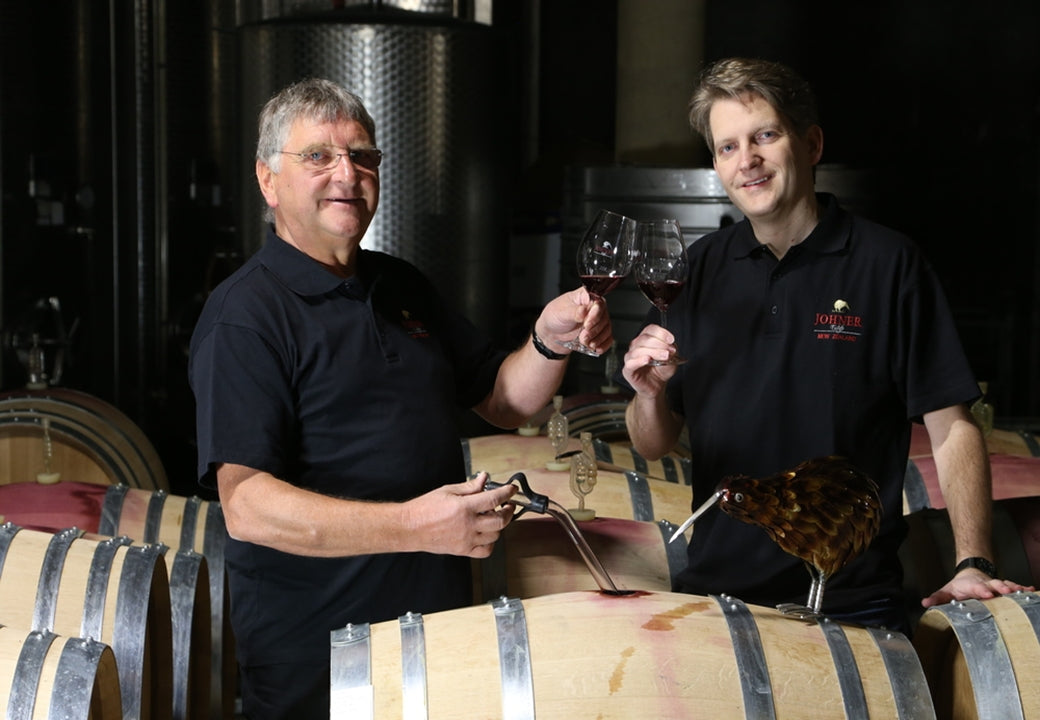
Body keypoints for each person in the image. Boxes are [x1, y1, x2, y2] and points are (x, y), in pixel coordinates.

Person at [188, 78, 613, 718]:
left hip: (434, 639)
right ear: (268, 181)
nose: (347, 174)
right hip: (319, 656)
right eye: (319, 157)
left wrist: (550, 340)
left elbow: (503, 400)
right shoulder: (245, 316)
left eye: (363, 157)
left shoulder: (401, 283)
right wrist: (417, 525)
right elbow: (247, 505)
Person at [621, 57, 1032, 634]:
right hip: (717, 598)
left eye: (765, 135)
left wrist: (972, 561)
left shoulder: (887, 264)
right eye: (728, 147)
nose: (748, 162)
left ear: (811, 144)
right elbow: (654, 441)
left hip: (853, 602)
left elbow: (950, 422)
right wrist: (646, 396)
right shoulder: (695, 270)